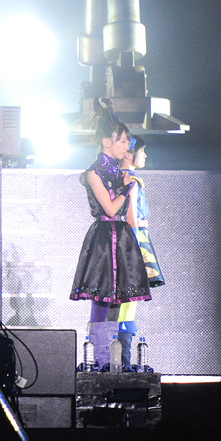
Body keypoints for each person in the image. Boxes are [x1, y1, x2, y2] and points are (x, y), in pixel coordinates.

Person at [69, 99, 151, 370]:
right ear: (107, 142)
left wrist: (127, 185)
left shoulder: (121, 173)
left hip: (122, 238)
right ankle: (101, 359)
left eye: (128, 141)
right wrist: (127, 188)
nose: (127, 146)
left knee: (118, 301)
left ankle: (114, 361)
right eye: (123, 141)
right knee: (102, 299)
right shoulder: (94, 173)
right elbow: (110, 208)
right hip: (104, 238)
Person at [112, 133, 164, 369]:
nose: (145, 156)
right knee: (128, 300)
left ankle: (120, 360)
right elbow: (131, 218)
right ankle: (122, 363)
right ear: (130, 154)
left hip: (127, 240)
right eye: (142, 151)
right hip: (133, 240)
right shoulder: (130, 180)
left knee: (124, 302)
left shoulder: (118, 178)